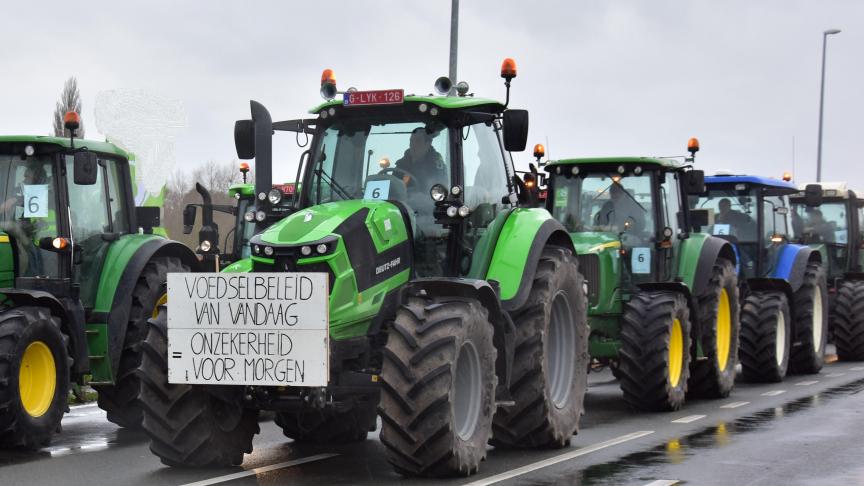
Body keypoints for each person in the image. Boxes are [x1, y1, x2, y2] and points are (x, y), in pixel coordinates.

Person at [394, 127, 448, 192]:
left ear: (428, 143)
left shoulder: (436, 166)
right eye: (411, 141)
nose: (413, 144)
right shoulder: (401, 165)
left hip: (426, 201)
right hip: (401, 201)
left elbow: (440, 190)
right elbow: (393, 188)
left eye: (418, 141)